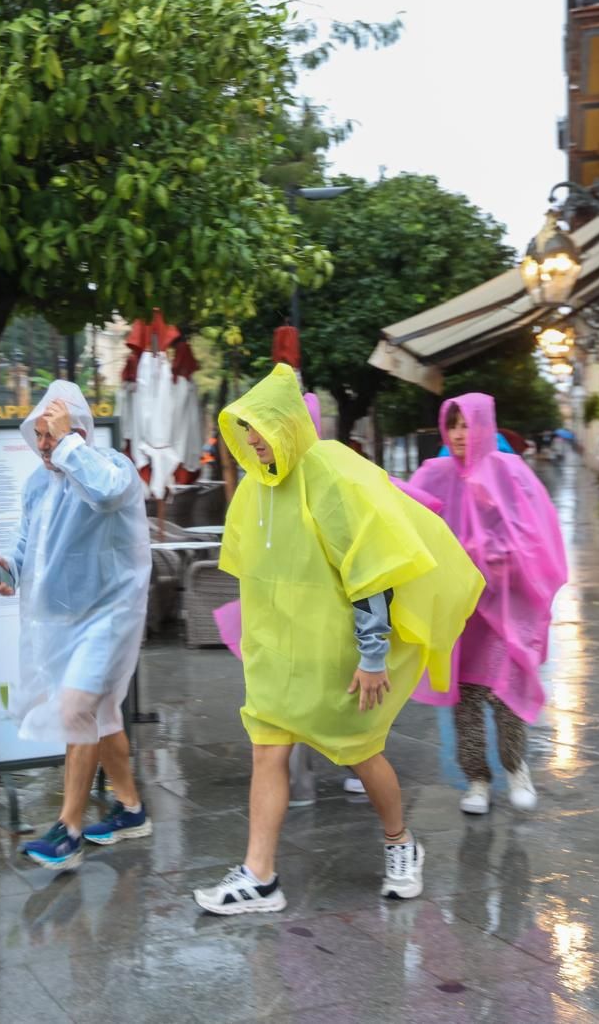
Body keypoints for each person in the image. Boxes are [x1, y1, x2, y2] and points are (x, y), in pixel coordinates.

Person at [194, 365, 483, 914]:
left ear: (288, 424)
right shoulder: (255, 488)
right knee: (267, 750)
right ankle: (260, 876)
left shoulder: (333, 475)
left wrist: (373, 657)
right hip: (280, 654)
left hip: (341, 655)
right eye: (246, 429)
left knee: (360, 753)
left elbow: (371, 570)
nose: (253, 440)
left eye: (262, 427)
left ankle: (401, 843)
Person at [0, 381, 153, 871]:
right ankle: (131, 809)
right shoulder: (38, 483)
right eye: (38, 434)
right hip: (64, 617)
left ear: (77, 433)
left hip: (111, 614)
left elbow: (104, 494)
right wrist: (10, 568)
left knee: (76, 707)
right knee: (102, 716)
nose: (42, 444)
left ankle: (69, 831)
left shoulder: (111, 469)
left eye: (51, 433)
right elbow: (27, 539)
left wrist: (69, 444)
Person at [409, 394, 567, 816]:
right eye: (453, 425)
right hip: (459, 610)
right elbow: (410, 520)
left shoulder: (509, 472)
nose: (461, 434)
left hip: (503, 606)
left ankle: (517, 769)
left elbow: (536, 531)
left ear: (485, 425)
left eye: (468, 424)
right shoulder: (433, 473)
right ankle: (476, 778)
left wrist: (501, 553)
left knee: (506, 690)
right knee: (465, 697)